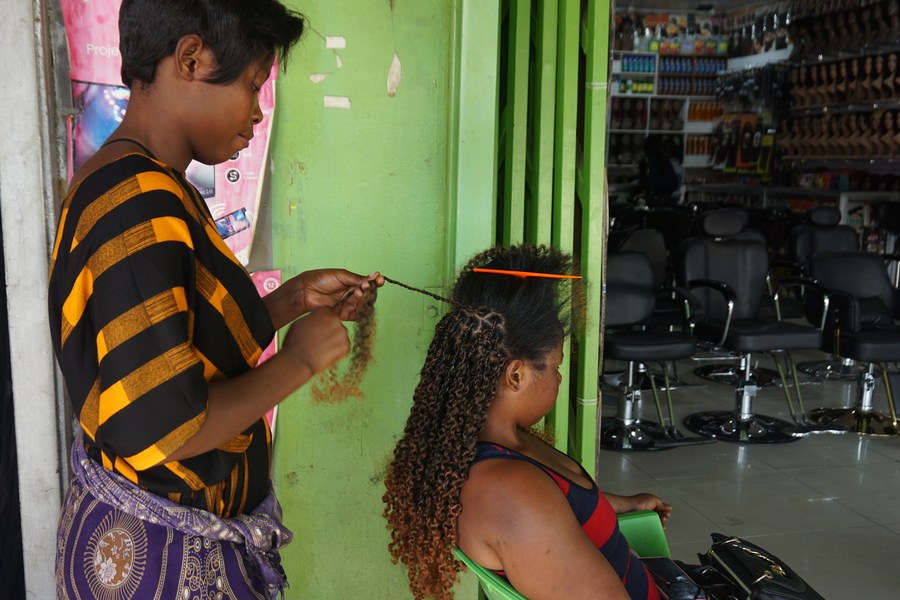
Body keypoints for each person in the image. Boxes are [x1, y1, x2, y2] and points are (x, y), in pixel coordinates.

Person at [48, 1, 382, 597]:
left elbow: (174, 342)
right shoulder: (137, 201)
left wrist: (296, 300)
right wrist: (299, 361)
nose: (257, 113)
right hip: (160, 562)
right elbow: (169, 425)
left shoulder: (140, 183)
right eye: (253, 86)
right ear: (191, 59)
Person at [382, 245, 671, 600]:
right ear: (516, 374)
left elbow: (560, 504)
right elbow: (540, 510)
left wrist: (626, 504)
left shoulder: (500, 445)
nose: (560, 379)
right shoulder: (508, 492)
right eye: (556, 365)